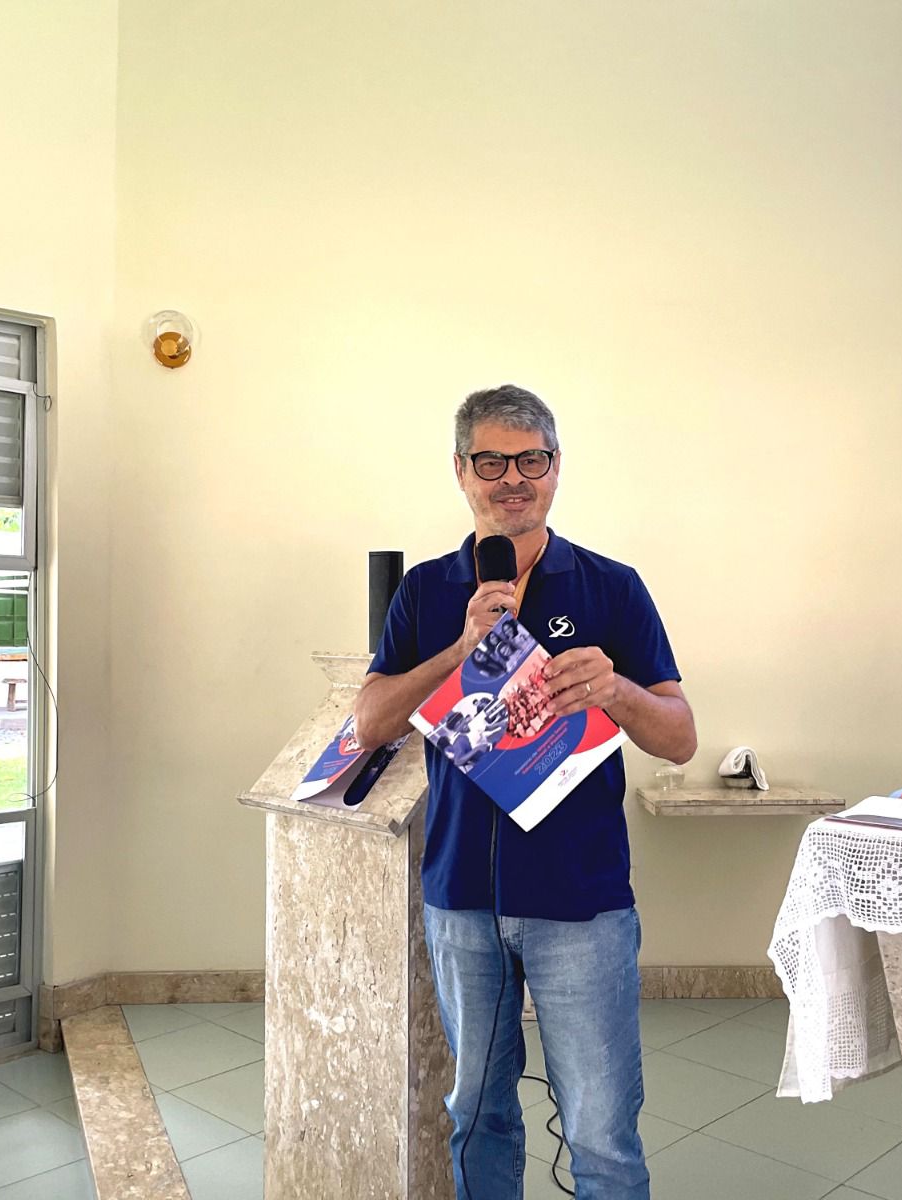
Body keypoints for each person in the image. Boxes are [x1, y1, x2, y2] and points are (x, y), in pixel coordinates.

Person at [353, 384, 696, 1200]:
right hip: (460, 901)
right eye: (492, 461)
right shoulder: (424, 591)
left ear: (556, 467)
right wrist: (459, 650)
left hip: (582, 903)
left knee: (601, 1134)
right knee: (477, 1117)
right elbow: (370, 723)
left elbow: (679, 737)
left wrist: (617, 690)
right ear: (460, 471)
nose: (514, 478)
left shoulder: (611, 586)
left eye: (531, 459)